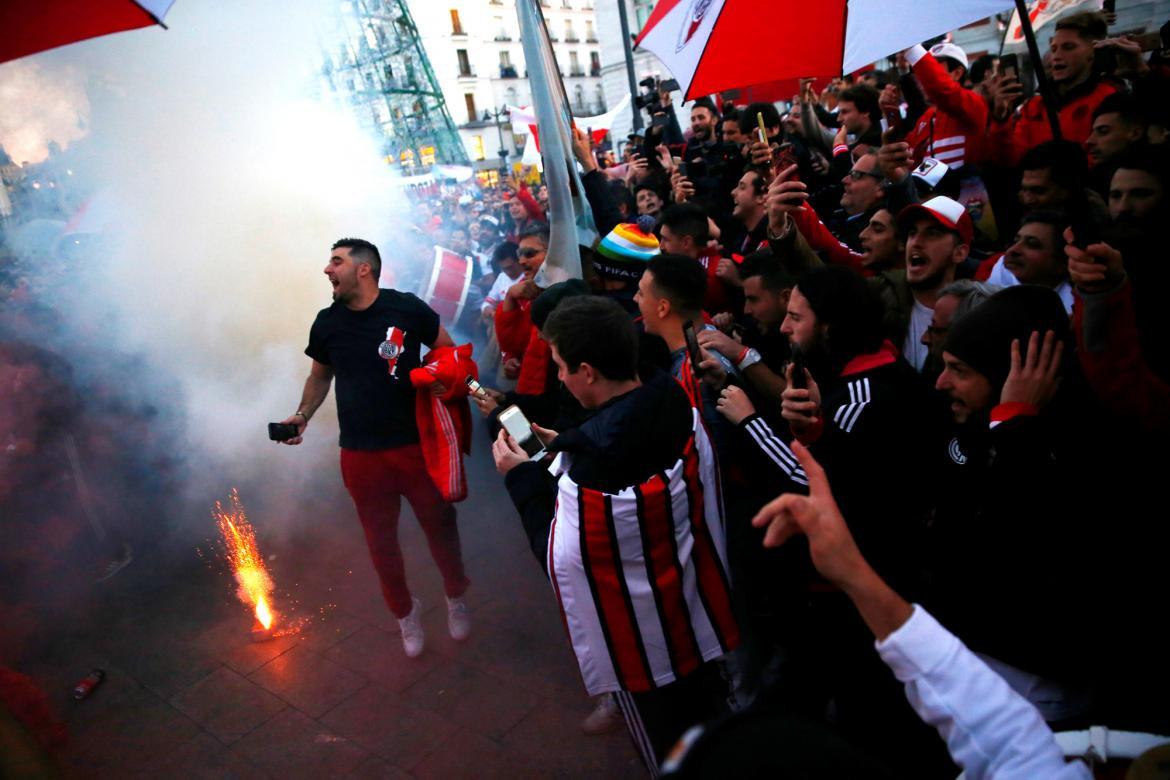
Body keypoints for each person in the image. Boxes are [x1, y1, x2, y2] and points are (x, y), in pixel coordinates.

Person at [492, 295, 739, 773]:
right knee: (714, 716)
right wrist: (560, 445)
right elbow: (612, 431)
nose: (559, 378)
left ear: (587, 371)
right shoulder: (669, 395)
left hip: (646, 647)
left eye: (562, 367)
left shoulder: (592, 476)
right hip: (695, 603)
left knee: (668, 750)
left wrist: (520, 476)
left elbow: (561, 559)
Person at [278, 238, 471, 658]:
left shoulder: (405, 307)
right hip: (361, 454)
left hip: (414, 446)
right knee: (380, 542)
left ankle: (455, 596)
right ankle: (405, 613)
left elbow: (446, 347)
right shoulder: (326, 322)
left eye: (336, 262)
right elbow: (320, 377)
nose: (327, 270)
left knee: (440, 524)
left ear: (364, 269)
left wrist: (440, 375)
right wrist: (302, 415)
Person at [930, 285, 1099, 721]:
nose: (941, 381)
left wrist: (1014, 427)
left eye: (959, 370)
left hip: (1031, 692)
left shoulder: (1075, 447)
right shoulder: (973, 423)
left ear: (1009, 374)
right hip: (966, 662)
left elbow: (1011, 537)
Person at [988, 12, 1117, 165]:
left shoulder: (1109, 99)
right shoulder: (1035, 106)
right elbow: (1010, 159)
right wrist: (1001, 120)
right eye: (1054, 49)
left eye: (1068, 47)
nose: (1056, 56)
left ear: (1093, 51)